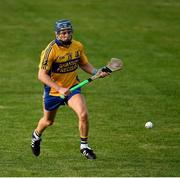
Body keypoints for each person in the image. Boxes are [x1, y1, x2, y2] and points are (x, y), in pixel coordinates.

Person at [31, 19, 109, 160]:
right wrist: (59, 88)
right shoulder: (50, 51)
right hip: (53, 92)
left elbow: (84, 64)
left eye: (68, 32)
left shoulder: (77, 46)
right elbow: (41, 75)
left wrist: (96, 72)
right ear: (57, 34)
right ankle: (36, 135)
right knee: (48, 121)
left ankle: (84, 146)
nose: (66, 35)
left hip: (73, 87)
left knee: (83, 114)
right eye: (63, 33)